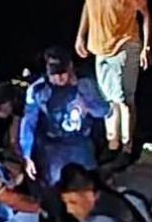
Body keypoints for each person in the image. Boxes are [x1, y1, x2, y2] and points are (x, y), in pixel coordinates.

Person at [74, 0, 152, 158]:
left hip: (125, 43)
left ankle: (127, 145)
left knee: (124, 98)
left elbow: (145, 13)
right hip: (100, 45)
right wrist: (81, 35)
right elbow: (88, 4)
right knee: (108, 98)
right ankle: (113, 143)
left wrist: (146, 46)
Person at [20, 47, 110, 185]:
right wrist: (27, 154)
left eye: (62, 72)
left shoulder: (85, 84)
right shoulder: (37, 90)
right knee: (58, 186)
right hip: (53, 147)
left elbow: (105, 110)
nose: (59, 78)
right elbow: (28, 123)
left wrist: (87, 106)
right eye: (54, 73)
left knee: (88, 184)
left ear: (70, 67)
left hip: (81, 144)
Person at [0, 79, 26, 157]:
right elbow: (1, 114)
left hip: (16, 106)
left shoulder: (19, 103)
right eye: (1, 108)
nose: (3, 111)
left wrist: (15, 145)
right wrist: (0, 112)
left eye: (6, 108)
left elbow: (15, 131)